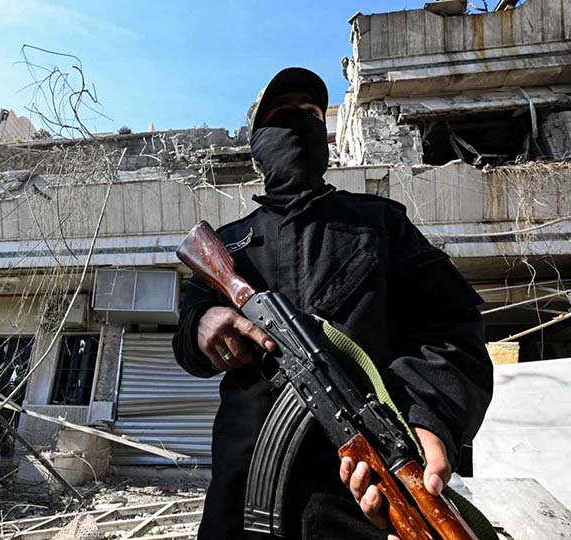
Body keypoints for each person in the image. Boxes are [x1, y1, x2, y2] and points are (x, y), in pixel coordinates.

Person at [172, 67, 493, 540]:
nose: (299, 123)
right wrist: (203, 321)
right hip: (242, 491)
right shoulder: (229, 245)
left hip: (360, 489)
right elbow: (186, 340)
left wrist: (428, 417)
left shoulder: (379, 223)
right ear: (258, 141)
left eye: (311, 113)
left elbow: (450, 325)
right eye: (283, 114)